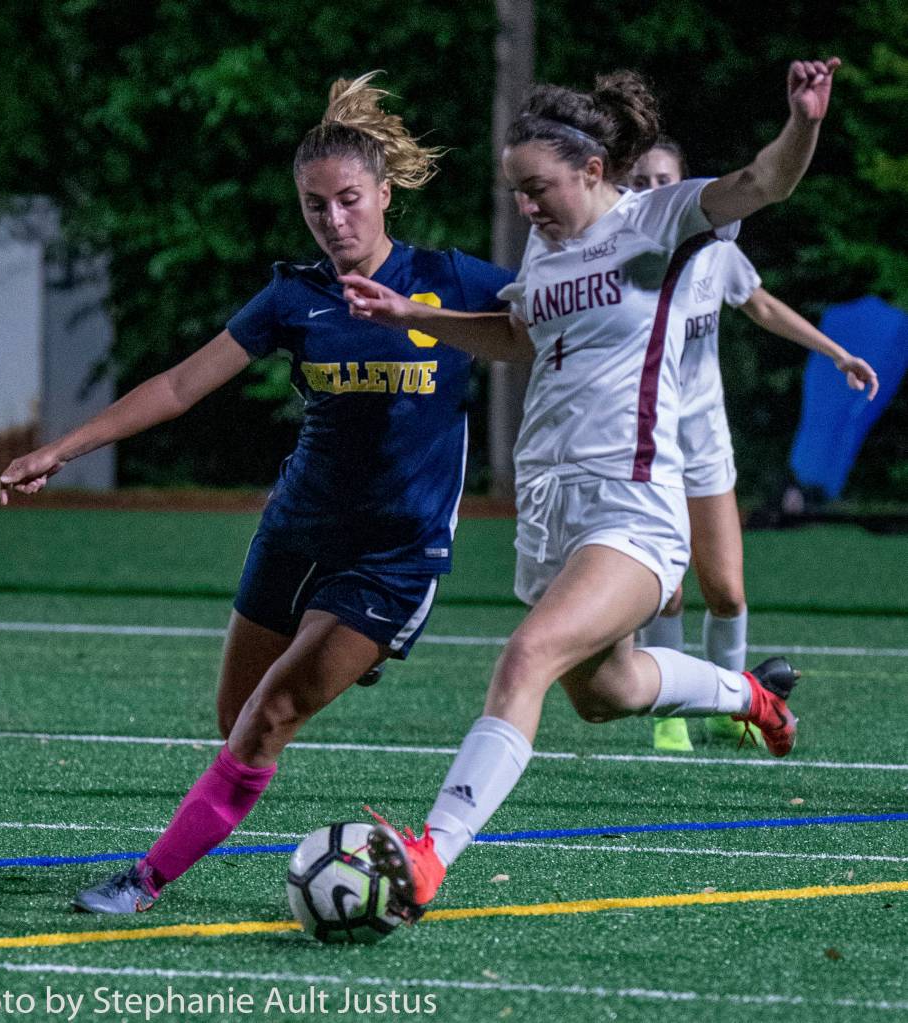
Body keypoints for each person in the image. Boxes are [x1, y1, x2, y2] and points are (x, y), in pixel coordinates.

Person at [0, 72, 515, 913]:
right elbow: (178, 385)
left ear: (386, 194)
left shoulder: (450, 282)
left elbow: (553, 320)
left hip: (394, 554)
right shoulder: (295, 296)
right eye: (316, 207)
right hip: (295, 532)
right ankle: (341, 653)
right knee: (236, 720)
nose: (335, 221)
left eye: (350, 200)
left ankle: (146, 877)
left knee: (270, 713)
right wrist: (63, 446)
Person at [341, 58, 841, 920]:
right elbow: (514, 337)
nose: (524, 208)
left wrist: (803, 121)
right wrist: (411, 316)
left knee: (526, 657)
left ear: (594, 171)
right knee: (602, 693)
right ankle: (747, 695)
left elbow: (766, 180)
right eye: (515, 193)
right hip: (550, 508)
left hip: (634, 504)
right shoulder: (544, 249)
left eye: (537, 188)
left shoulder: (662, 220)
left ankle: (429, 855)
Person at [628, 138, 878, 754]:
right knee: (668, 586)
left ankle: (729, 708)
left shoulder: (717, 250)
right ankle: (669, 714)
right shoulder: (625, 257)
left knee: (728, 591)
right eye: (641, 179)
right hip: (645, 442)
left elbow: (761, 304)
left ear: (685, 184)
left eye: (665, 177)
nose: (654, 188)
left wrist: (838, 352)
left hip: (705, 440)